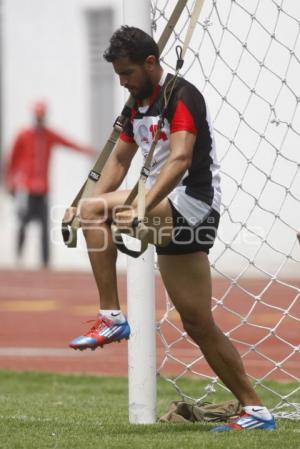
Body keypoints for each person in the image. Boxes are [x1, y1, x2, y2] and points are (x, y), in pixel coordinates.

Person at [64, 26, 275, 431]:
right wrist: (84, 207)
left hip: (192, 206)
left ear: (150, 63)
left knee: (95, 210)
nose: (122, 82)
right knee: (197, 323)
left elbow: (179, 161)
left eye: (126, 73)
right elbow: (120, 162)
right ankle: (256, 410)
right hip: (166, 210)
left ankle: (110, 315)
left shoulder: (182, 97)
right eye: (118, 76)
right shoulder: (135, 105)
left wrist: (123, 206)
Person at [5, 101, 96, 267]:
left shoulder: (48, 135)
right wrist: (9, 181)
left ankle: (45, 264)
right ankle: (18, 258)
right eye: (37, 117)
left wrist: (89, 151)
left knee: (45, 227)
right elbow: (12, 159)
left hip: (43, 189)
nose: (40, 120)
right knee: (23, 223)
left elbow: (68, 143)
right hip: (26, 188)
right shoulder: (23, 135)